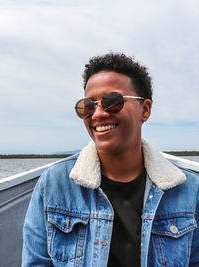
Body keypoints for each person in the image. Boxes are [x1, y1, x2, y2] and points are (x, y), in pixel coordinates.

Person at [22, 53, 199, 266]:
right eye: (87, 106)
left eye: (112, 102)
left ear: (145, 110)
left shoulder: (189, 190)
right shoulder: (53, 185)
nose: (97, 114)